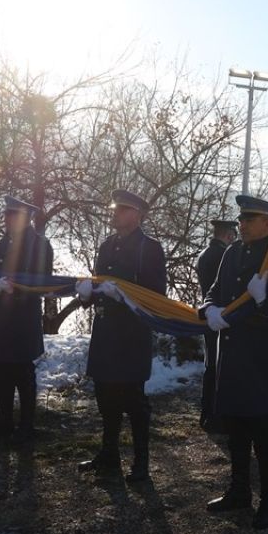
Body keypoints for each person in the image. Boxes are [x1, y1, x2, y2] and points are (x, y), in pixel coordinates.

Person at [200, 195, 268, 530]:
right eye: (240, 219)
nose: (240, 225)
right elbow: (213, 291)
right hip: (233, 352)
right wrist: (209, 309)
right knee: (235, 429)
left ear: (267, 223)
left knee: (264, 434)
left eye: (248, 219)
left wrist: (264, 300)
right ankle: (239, 491)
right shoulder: (232, 252)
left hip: (260, 356)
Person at [77, 190, 167, 483]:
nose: (115, 213)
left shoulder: (149, 248)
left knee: (133, 400)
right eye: (115, 208)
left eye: (122, 209)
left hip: (131, 334)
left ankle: (141, 463)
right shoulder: (107, 245)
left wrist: (124, 294)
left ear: (137, 214)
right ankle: (109, 454)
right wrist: (88, 294)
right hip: (106, 332)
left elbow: (156, 294)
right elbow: (101, 282)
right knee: (105, 395)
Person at [0, 196, 54, 445]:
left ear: (25, 219)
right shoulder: (3, 243)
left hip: (22, 315)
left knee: (22, 370)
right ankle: (4, 420)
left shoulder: (39, 244)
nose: (6, 219)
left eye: (12, 215)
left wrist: (13, 289)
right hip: (0, 314)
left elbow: (42, 281)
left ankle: (27, 424)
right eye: (6, 215)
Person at [195, 218, 237, 433]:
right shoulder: (223, 256)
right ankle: (216, 414)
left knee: (210, 365)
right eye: (233, 235)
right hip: (221, 316)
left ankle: (206, 412)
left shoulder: (204, 254)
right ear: (229, 235)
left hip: (208, 314)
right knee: (219, 367)